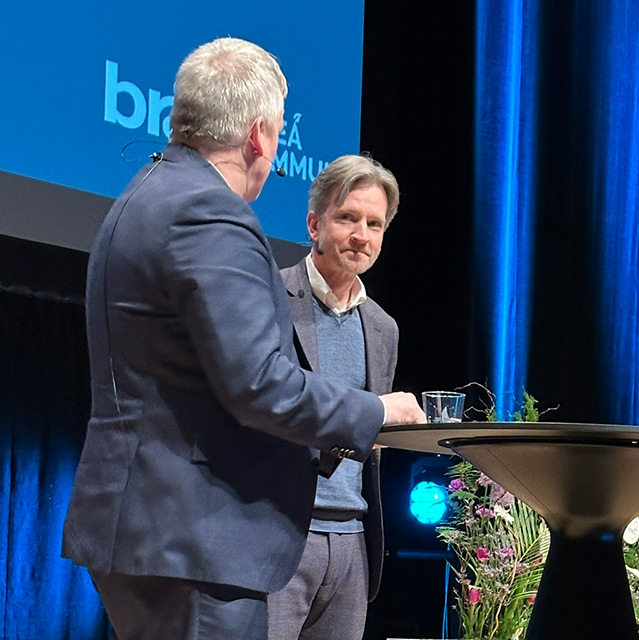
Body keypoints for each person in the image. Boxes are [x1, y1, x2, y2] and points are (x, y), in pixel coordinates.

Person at [61, 38, 424, 640]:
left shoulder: (145, 193)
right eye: (279, 134)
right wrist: (376, 412)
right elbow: (258, 384)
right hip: (196, 536)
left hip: (151, 527)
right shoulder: (211, 213)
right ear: (258, 135)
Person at [268, 155, 400, 640]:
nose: (361, 235)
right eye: (347, 218)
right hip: (279, 530)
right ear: (314, 225)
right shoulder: (270, 296)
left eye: (374, 224)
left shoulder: (383, 327)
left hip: (353, 541)